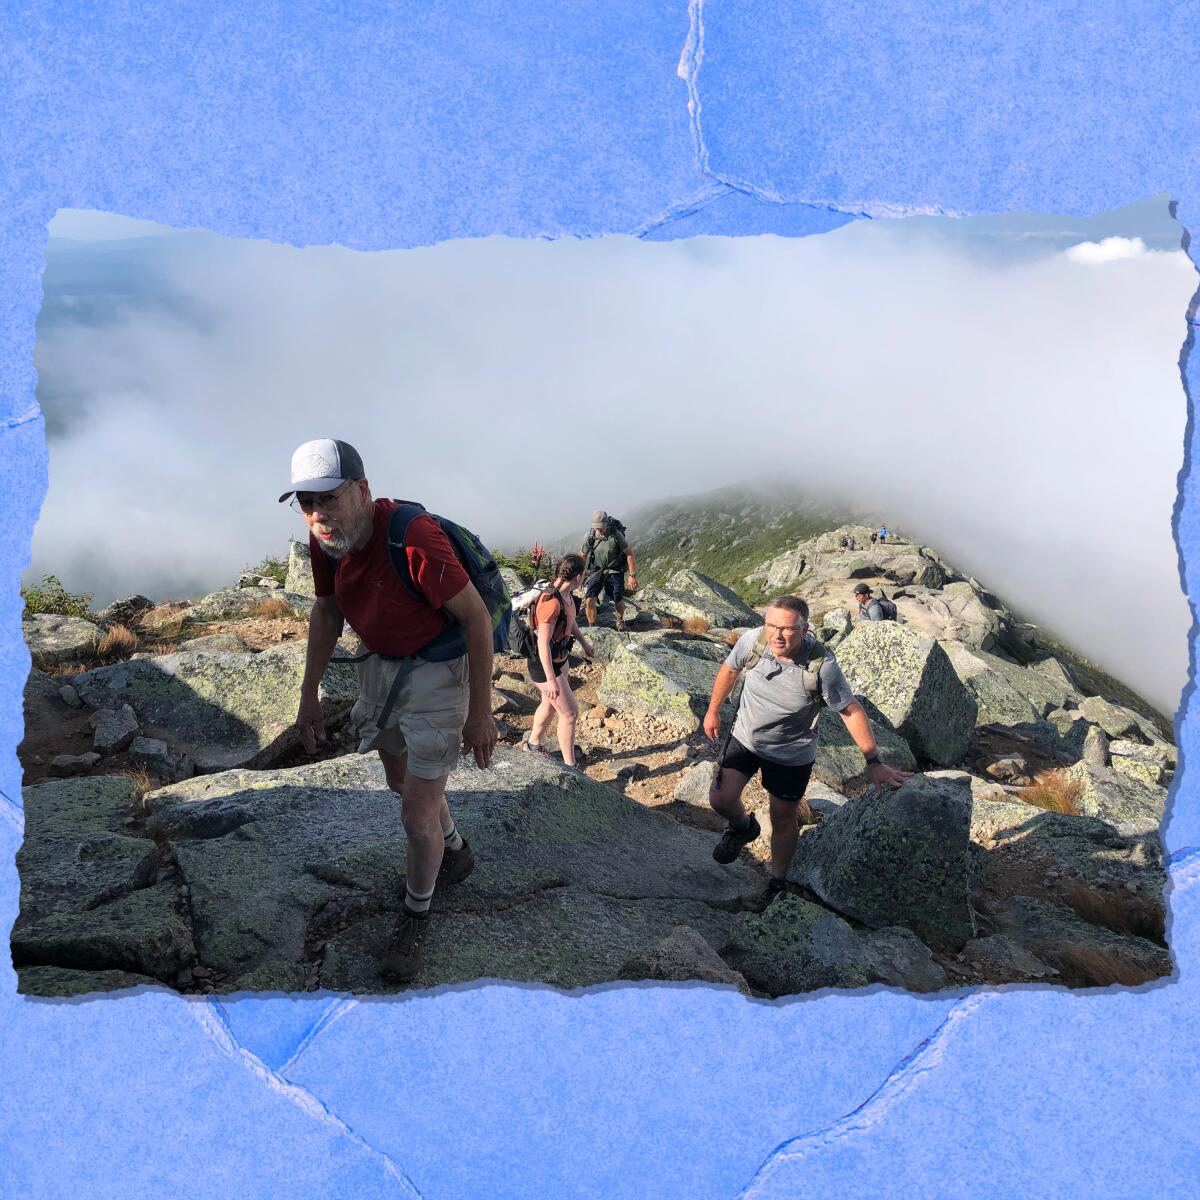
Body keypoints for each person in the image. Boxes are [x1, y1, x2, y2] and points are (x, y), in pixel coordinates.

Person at [283, 438, 498, 985]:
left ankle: (415, 916)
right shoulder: (326, 542)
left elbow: (476, 620)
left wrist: (481, 712)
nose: (317, 515)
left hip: (437, 672)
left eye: (328, 499)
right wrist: (308, 695)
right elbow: (328, 610)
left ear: (362, 490)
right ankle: (455, 851)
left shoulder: (413, 537)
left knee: (414, 813)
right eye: (306, 503)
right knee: (399, 780)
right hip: (381, 665)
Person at [701, 594, 912, 904]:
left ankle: (777, 880)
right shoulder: (752, 641)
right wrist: (713, 710)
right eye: (771, 625)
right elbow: (730, 669)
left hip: (791, 753)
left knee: (783, 818)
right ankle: (743, 828)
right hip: (745, 737)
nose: (777, 635)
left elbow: (850, 710)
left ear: (805, 629)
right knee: (720, 799)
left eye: (786, 629)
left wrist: (874, 761)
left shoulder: (821, 666)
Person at [522, 553, 595, 769]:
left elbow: (569, 622)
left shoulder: (567, 597)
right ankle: (570, 767)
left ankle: (532, 745)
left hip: (559, 660)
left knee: (549, 704)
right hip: (544, 664)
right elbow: (543, 643)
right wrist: (551, 679)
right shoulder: (551, 603)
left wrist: (584, 644)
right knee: (570, 712)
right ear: (579, 577)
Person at [581, 510, 637, 631]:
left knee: (618, 598)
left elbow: (629, 554)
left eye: (601, 527)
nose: (599, 530)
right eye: (596, 527)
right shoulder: (590, 536)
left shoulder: (615, 534)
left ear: (606, 523)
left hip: (615, 570)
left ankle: (620, 620)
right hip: (597, 570)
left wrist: (632, 575)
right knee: (589, 599)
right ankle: (592, 627)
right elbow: (583, 555)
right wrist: (578, 574)